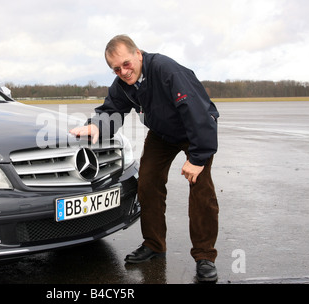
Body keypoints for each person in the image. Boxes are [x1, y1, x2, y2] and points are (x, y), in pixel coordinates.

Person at [69, 35, 220, 282]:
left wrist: (198, 157)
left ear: (138, 54)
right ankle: (154, 245)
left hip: (194, 129)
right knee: (147, 182)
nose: (123, 72)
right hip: (162, 134)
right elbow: (112, 110)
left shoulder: (165, 69)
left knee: (201, 187)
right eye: (116, 69)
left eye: (126, 64)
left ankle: (204, 256)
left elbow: (196, 112)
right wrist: (96, 126)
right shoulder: (123, 84)